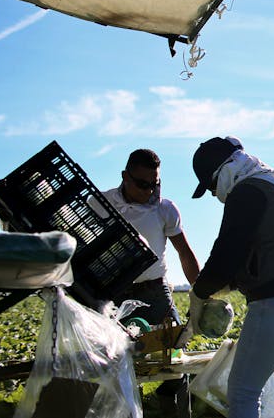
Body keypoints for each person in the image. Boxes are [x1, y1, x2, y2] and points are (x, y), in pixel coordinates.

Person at [188, 137, 274, 418]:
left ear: (222, 172)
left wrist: (199, 292)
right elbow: (261, 250)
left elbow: (226, 254)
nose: (216, 194)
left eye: (212, 186)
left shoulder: (248, 191)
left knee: (242, 390)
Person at [104, 148, 199, 417]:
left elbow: (185, 252)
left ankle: (174, 411)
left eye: (154, 184)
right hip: (116, 295)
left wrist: (201, 292)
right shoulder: (102, 202)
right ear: (125, 176)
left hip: (155, 291)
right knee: (114, 361)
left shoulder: (165, 209)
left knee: (176, 358)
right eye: (142, 184)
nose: (149, 190)